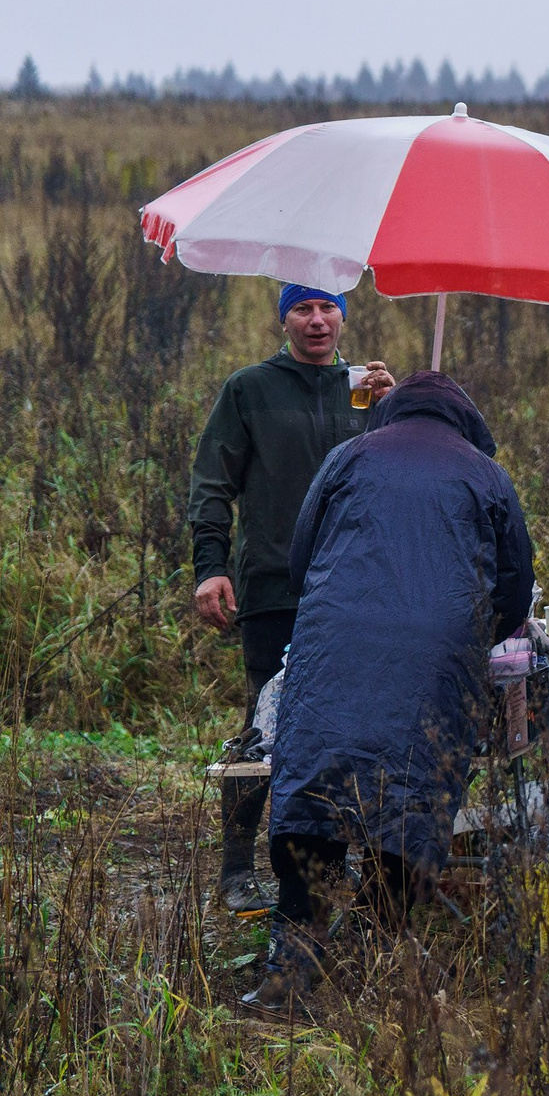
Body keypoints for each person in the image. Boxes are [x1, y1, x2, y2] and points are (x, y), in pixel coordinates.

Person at [249, 372, 533, 1010]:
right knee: (410, 793)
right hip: (439, 660)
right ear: (465, 418)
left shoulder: (347, 457)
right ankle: (382, 951)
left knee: (315, 787)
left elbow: (300, 561)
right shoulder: (487, 476)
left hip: (332, 649)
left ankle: (292, 961)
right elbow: (515, 594)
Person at [188, 283, 395, 912]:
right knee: (263, 725)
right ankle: (234, 869)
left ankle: (324, 868)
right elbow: (211, 483)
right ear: (283, 317)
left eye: (327, 307)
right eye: (302, 308)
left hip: (355, 590)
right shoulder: (250, 389)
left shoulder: (365, 387)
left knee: (348, 726)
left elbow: (398, 471)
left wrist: (399, 408)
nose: (316, 321)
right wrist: (210, 567)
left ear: (343, 315)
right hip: (274, 588)